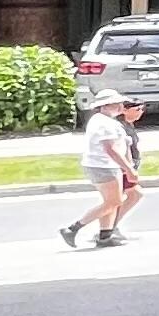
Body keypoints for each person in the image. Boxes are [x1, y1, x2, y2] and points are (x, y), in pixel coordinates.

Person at [59, 94, 147, 249]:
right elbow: (110, 149)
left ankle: (105, 236)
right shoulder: (104, 123)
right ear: (106, 105)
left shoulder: (106, 121)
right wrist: (128, 168)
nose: (120, 106)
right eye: (116, 103)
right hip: (103, 166)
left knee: (111, 201)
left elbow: (123, 144)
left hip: (107, 166)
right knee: (114, 202)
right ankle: (73, 229)